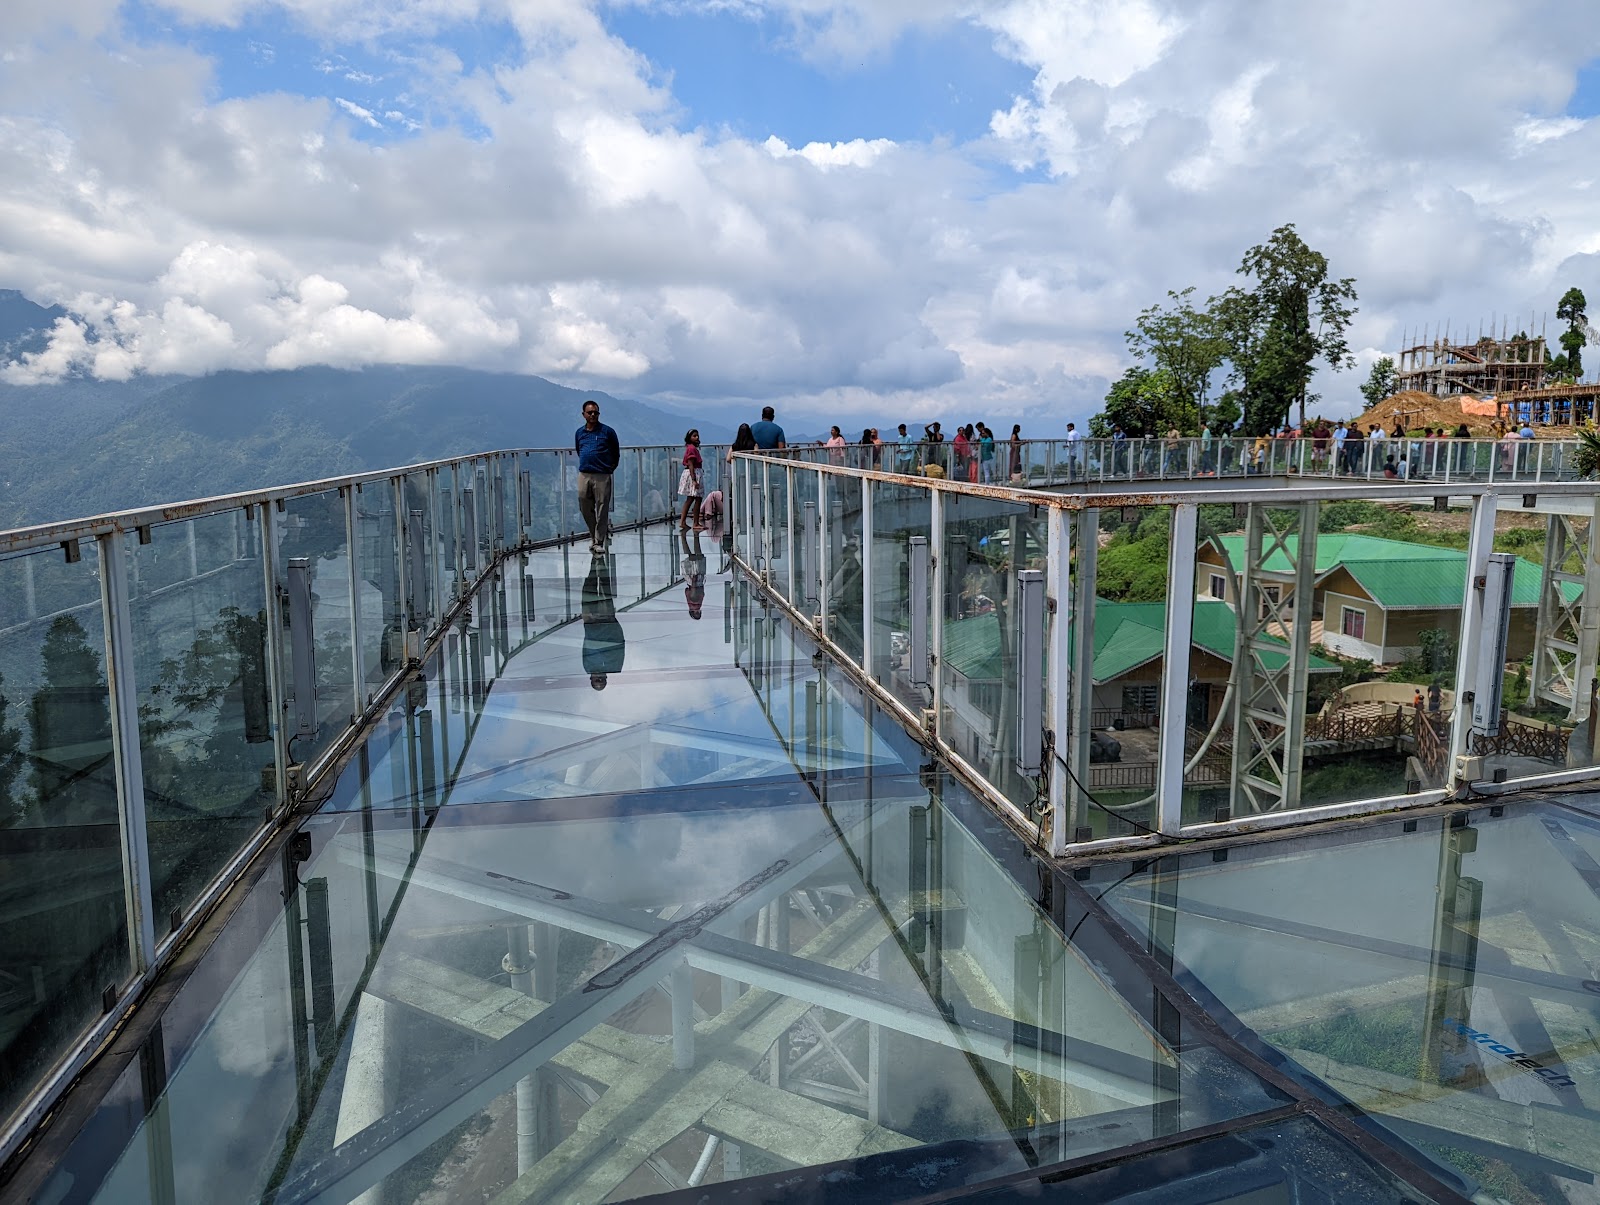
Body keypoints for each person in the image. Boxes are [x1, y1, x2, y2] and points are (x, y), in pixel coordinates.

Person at [575, 399, 620, 553]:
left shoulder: (607, 432)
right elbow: (578, 450)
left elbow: (615, 452)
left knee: (602, 508)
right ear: (584, 415)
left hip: (602, 475)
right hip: (584, 473)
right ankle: (594, 534)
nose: (593, 415)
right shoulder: (579, 433)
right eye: (590, 412)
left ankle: (598, 541)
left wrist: (609, 469)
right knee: (584, 504)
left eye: (596, 412)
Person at [581, 554, 625, 689]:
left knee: (589, 586)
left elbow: (586, 647)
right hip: (606, 620)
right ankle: (600, 559)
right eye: (602, 679)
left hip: (590, 622)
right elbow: (620, 644)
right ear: (606, 677)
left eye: (596, 680)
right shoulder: (615, 666)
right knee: (604, 586)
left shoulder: (587, 667)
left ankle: (595, 560)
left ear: (591, 679)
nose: (599, 677)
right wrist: (612, 623)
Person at [678, 428, 704, 530]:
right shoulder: (692, 449)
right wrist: (694, 479)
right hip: (694, 474)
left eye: (697, 436)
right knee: (697, 498)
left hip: (693, 473)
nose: (697, 437)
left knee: (690, 499)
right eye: (694, 436)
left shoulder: (690, 448)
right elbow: (691, 464)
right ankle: (695, 523)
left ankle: (683, 521)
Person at [680, 529, 707, 620]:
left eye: (696, 613)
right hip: (691, 581)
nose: (698, 611)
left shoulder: (696, 605)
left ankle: (695, 535)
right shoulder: (691, 604)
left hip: (695, 580)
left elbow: (695, 591)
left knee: (696, 556)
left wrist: (695, 580)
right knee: (691, 556)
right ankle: (685, 537)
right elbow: (687, 591)